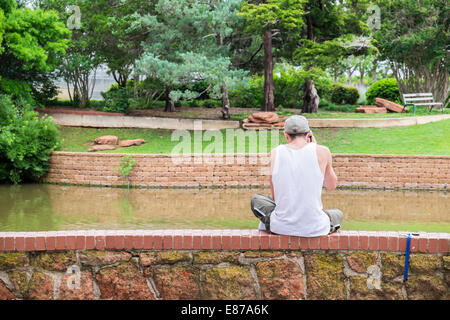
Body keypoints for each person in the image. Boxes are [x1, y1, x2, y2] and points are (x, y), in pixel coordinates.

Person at [251, 115, 343, 237]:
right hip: (315, 228)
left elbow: (275, 198)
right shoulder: (323, 152)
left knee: (257, 200)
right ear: (308, 134)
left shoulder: (274, 153)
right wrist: (315, 144)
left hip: (281, 227)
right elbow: (331, 185)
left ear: (286, 135)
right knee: (337, 214)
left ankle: (269, 223)